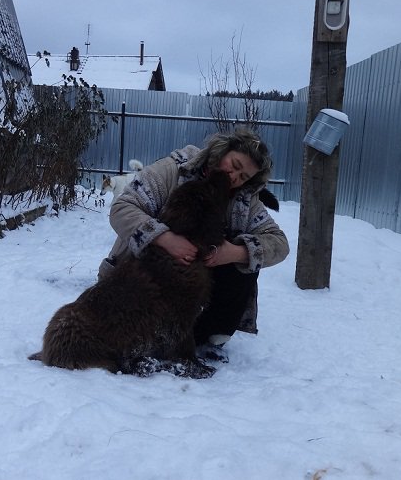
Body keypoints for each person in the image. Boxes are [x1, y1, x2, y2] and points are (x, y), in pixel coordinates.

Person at [98, 128, 289, 355]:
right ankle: (153, 336)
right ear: (222, 151)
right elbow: (122, 208)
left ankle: (207, 333)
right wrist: (164, 238)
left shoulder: (244, 199)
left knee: (247, 253)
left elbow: (279, 243)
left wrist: (235, 252)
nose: (234, 177)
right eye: (235, 165)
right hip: (139, 281)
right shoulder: (173, 170)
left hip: (189, 290)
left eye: (243, 176)